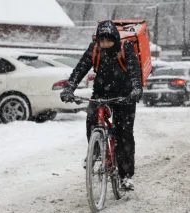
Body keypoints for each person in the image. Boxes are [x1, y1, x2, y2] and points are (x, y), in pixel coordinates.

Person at [60, 20, 142, 190]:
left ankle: (126, 176)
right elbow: (80, 69)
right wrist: (69, 88)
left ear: (115, 38)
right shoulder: (95, 48)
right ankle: (95, 151)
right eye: (101, 40)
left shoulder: (125, 48)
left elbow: (135, 71)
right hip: (101, 92)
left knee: (124, 133)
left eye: (108, 40)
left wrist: (136, 90)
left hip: (124, 95)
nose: (104, 44)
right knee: (91, 118)